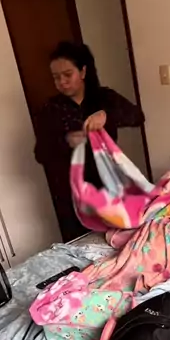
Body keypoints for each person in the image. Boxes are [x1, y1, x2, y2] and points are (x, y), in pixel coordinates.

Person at [35, 41, 145, 240]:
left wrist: (107, 116)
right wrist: (66, 141)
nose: (62, 82)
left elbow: (137, 117)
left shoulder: (105, 98)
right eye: (56, 77)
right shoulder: (51, 109)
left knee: (117, 237)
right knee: (81, 244)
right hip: (72, 193)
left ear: (83, 71)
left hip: (108, 184)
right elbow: (40, 153)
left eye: (67, 74)